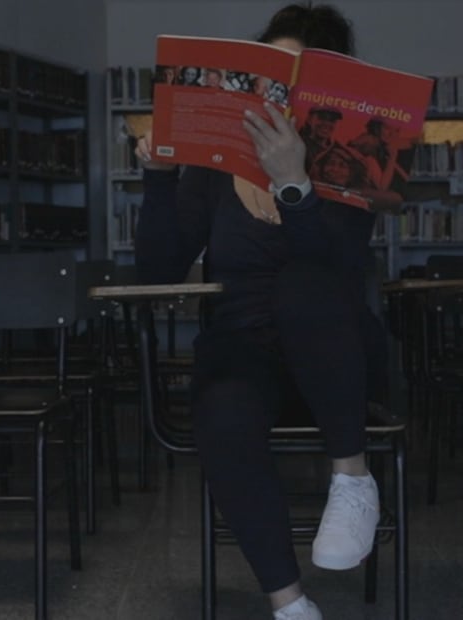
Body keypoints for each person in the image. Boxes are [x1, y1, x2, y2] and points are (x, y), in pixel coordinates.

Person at [134, 4, 388, 620]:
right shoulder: (215, 166)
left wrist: (294, 183)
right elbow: (159, 272)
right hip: (245, 351)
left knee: (303, 282)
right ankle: (289, 604)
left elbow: (343, 265)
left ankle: (352, 479)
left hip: (336, 363)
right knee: (222, 407)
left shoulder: (352, 160)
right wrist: (161, 180)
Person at [299, 107, 343, 172]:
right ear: (309, 119)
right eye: (322, 118)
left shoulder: (334, 150)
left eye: (332, 120)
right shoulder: (299, 144)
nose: (327, 123)